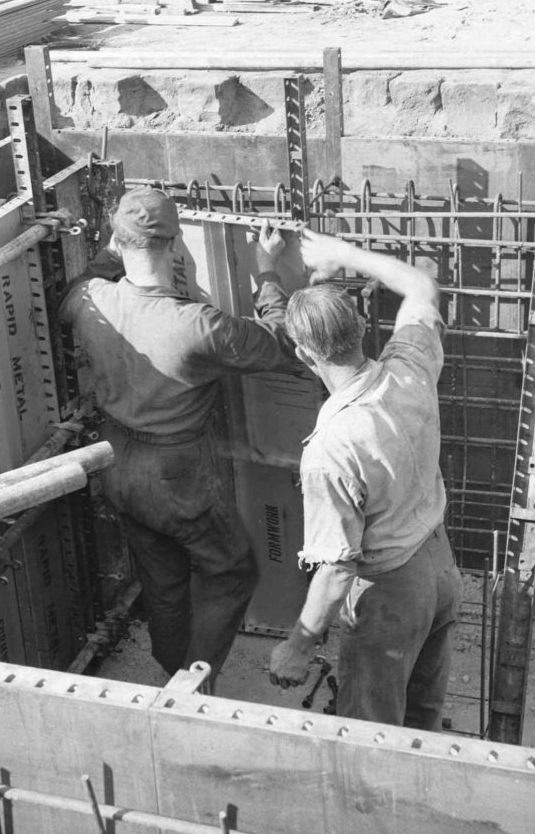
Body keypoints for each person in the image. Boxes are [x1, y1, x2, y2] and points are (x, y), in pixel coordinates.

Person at [62, 186, 295, 691]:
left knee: (162, 578)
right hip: (176, 475)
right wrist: (267, 270)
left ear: (118, 243)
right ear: (177, 245)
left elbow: (88, 277)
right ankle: (193, 683)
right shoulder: (197, 325)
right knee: (231, 570)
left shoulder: (88, 300)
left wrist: (114, 244)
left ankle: (173, 666)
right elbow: (282, 341)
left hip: (114, 462)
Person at [268, 229, 463, 730]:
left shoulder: (331, 447)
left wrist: (298, 646)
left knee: (371, 731)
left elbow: (336, 570)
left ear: (306, 358)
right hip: (440, 569)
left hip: (390, 594)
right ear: (359, 329)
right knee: (420, 716)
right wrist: (343, 254)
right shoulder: (409, 368)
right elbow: (421, 288)